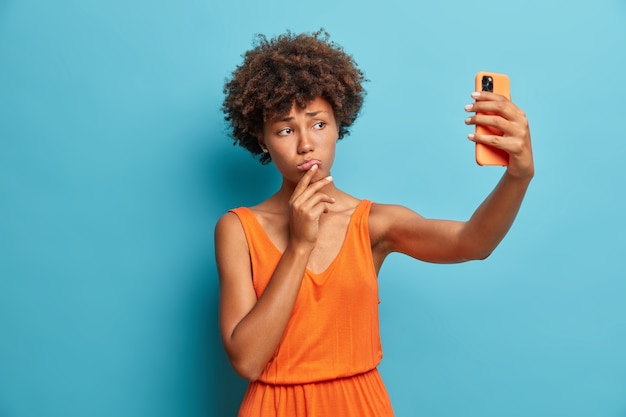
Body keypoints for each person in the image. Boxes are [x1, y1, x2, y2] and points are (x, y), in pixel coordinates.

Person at [215, 29, 534, 417]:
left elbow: (472, 243)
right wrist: (299, 245)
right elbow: (247, 361)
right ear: (262, 140)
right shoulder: (238, 229)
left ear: (338, 127)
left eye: (318, 124)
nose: (305, 144)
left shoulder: (372, 223)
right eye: (285, 129)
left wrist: (518, 176)